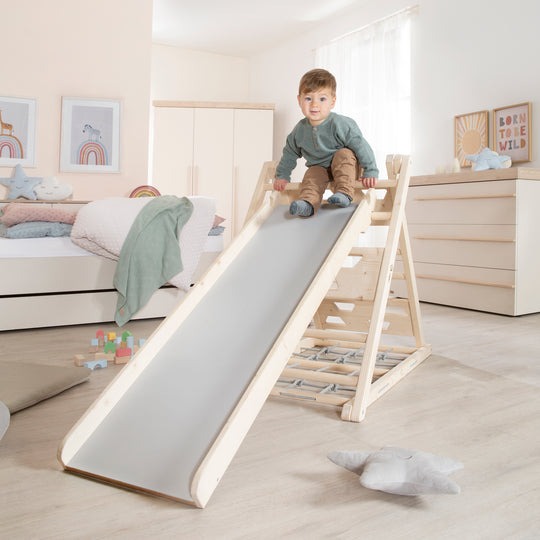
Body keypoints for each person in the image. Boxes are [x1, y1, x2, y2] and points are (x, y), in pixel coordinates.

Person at [273, 68, 379, 217]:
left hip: (347, 167)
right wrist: (282, 175)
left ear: (332, 101)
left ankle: (344, 193)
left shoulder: (340, 124)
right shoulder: (300, 130)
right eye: (308, 99)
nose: (314, 105)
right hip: (321, 169)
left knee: (344, 153)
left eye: (322, 99)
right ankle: (308, 203)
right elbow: (289, 153)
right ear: (299, 100)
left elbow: (361, 146)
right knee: (312, 173)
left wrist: (370, 170)